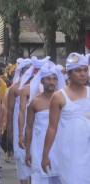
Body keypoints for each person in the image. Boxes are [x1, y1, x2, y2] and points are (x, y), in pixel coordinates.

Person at [41, 53, 90, 183]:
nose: (83, 74)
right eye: (78, 70)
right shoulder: (59, 97)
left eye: (85, 70)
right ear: (68, 74)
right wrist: (45, 155)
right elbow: (52, 128)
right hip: (70, 153)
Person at [25, 63, 64, 184]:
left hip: (60, 145)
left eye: (54, 78)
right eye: (48, 78)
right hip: (39, 146)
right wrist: (27, 152)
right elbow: (29, 127)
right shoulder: (34, 102)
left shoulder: (64, 99)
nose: (51, 82)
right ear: (42, 81)